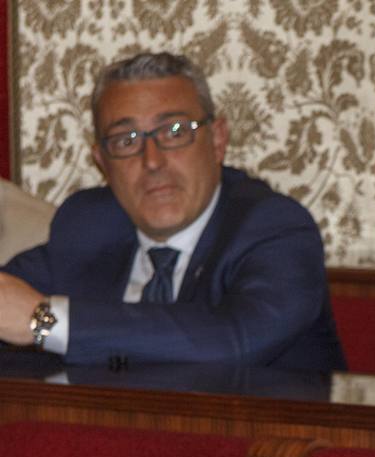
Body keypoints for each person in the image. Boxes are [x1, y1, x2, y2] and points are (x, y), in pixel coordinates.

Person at [0, 52, 345, 372]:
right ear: (101, 161)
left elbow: (235, 340)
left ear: (217, 140)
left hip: (270, 436)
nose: (152, 161)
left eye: (174, 132)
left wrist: (47, 322)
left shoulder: (273, 228)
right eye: (126, 140)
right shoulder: (89, 224)